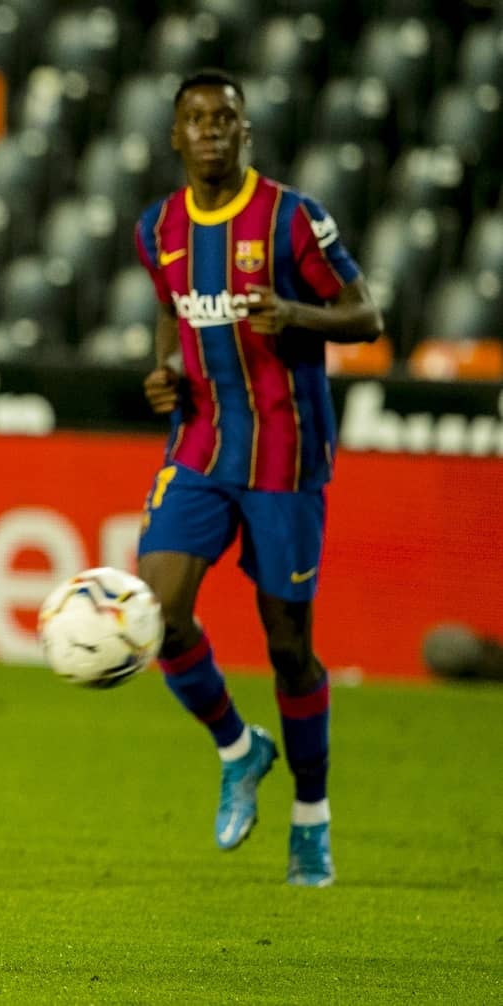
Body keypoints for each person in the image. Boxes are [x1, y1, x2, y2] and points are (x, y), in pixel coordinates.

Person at [134, 70, 383, 887]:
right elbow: (170, 311)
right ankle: (239, 749)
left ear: (245, 132)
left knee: (288, 648)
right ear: (176, 136)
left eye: (225, 118)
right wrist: (166, 372)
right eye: (196, 119)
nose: (210, 130)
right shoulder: (158, 229)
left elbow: (367, 315)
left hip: (285, 453)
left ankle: (312, 814)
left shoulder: (291, 218)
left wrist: (298, 315)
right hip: (200, 447)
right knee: (156, 615)